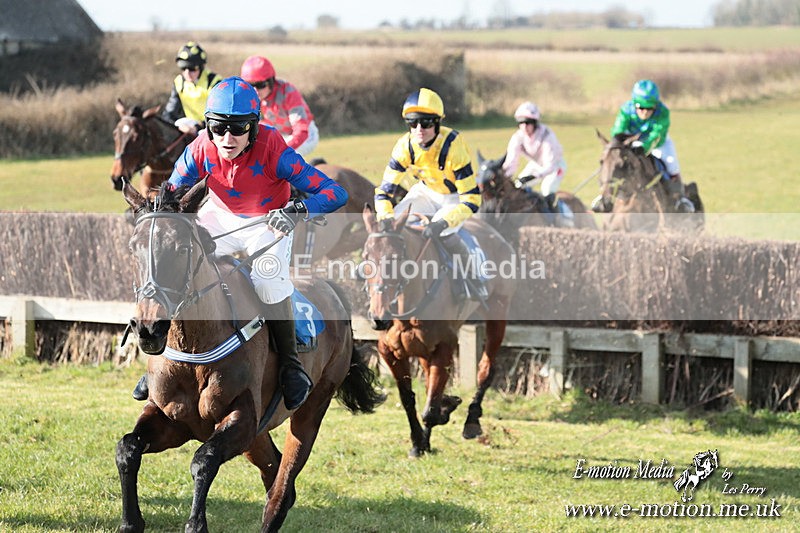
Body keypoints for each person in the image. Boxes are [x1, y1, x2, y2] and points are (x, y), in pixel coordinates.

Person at [132, 76, 348, 410]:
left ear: (254, 127)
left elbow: (335, 193)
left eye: (238, 129)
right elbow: (170, 195)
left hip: (268, 221)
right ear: (208, 126)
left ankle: (291, 365)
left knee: (266, 279)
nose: (227, 138)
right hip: (219, 217)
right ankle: (163, 356)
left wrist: (298, 210)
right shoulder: (200, 148)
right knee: (181, 262)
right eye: (218, 128)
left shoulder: (274, 149)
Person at [374, 87, 486, 300]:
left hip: (455, 198)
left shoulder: (454, 147)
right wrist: (386, 218)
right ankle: (374, 272)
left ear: (437, 123)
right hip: (425, 192)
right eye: (412, 123)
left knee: (444, 232)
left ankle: (474, 279)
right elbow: (383, 193)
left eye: (425, 123)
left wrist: (442, 222)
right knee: (389, 229)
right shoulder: (404, 146)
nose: (418, 129)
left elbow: (472, 200)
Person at [593, 79, 695, 214]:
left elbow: (657, 135)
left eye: (649, 108)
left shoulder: (663, 112)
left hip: (658, 143)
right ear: (634, 103)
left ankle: (679, 199)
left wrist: (644, 147)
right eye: (641, 107)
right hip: (629, 142)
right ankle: (604, 197)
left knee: (672, 164)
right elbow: (618, 131)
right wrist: (620, 145)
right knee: (612, 163)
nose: (645, 112)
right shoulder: (626, 110)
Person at [502, 101, 574, 227]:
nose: (524, 126)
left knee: (547, 189)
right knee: (518, 186)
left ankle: (558, 219)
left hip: (555, 166)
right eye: (521, 123)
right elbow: (511, 162)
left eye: (528, 122)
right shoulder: (518, 137)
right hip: (535, 165)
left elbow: (549, 165)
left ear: (535, 123)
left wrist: (533, 176)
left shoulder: (546, 135)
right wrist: (504, 176)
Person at [240, 55, 319, 157]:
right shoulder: (250, 97)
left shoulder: (287, 92)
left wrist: (281, 150)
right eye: (250, 85)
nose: (255, 90)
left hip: (306, 135)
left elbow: (301, 130)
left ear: (271, 81)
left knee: (279, 159)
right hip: (280, 134)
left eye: (260, 85)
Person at [162, 41, 221, 136]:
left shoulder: (214, 82)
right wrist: (177, 126)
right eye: (183, 68)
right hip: (188, 126)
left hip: (210, 127)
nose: (187, 73)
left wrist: (199, 126)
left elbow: (220, 115)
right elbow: (169, 113)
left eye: (192, 69)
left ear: (201, 67)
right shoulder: (179, 82)